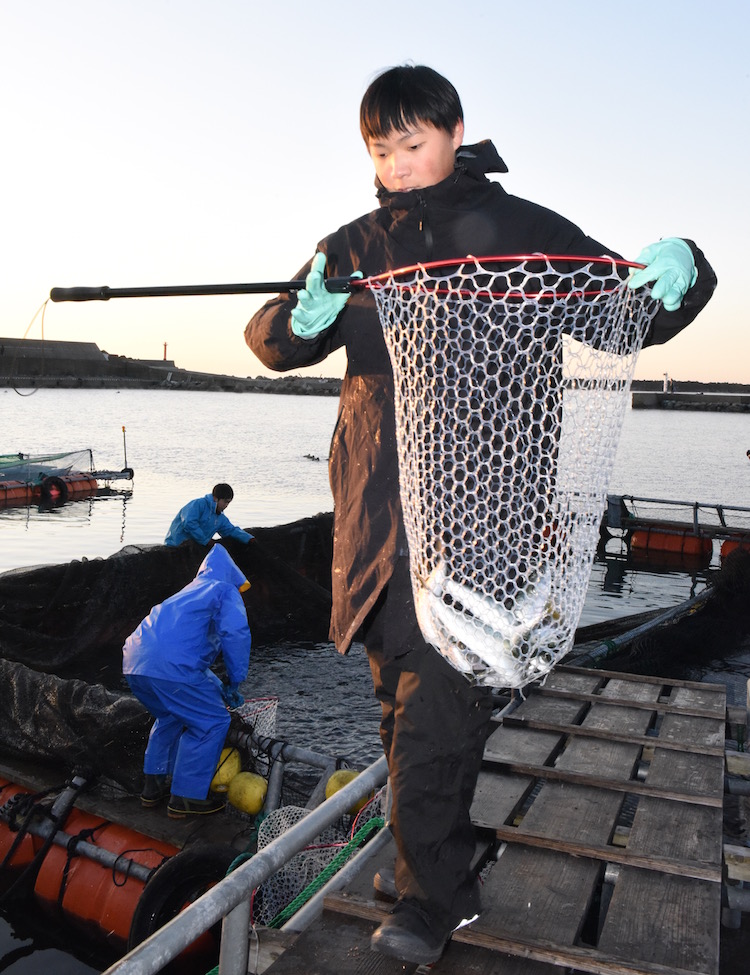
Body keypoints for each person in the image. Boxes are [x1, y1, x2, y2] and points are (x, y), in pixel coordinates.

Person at [244, 64, 717, 964]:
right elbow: (270, 340)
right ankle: (429, 857)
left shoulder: (522, 233)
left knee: (436, 714)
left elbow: (632, 313)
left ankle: (432, 899)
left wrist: (684, 275)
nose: (398, 165)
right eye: (381, 151)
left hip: (483, 525)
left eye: (413, 145)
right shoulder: (353, 247)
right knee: (399, 709)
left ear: (456, 132)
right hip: (380, 527)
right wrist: (300, 318)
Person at [122, 544, 252, 818]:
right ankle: (186, 798)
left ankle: (152, 788)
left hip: (135, 662)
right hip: (171, 668)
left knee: (170, 717)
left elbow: (190, 661)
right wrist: (236, 679)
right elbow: (236, 634)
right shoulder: (224, 590)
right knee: (211, 722)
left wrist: (220, 686)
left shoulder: (187, 593)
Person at [164, 482, 253, 547]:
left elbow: (230, 530)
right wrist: (206, 540)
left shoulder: (220, 518)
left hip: (195, 546)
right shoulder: (198, 504)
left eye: (228, 503)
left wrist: (249, 538)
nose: (226, 506)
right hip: (175, 544)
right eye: (225, 502)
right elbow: (189, 523)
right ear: (215, 498)